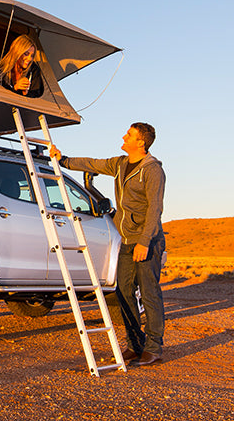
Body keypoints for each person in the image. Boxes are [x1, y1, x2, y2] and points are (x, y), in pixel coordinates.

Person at [49, 123, 166, 366]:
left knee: (149, 293)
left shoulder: (152, 170)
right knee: (123, 292)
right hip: (127, 239)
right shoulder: (121, 163)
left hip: (147, 241)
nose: (124, 136)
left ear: (141, 143)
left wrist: (144, 243)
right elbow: (94, 164)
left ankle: (153, 348)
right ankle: (135, 345)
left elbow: (155, 209)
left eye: (129, 134)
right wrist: (64, 160)